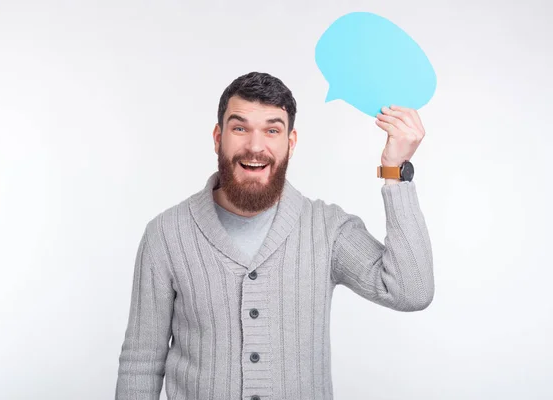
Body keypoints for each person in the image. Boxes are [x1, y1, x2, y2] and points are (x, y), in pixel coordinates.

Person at [115, 71, 434, 400]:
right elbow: (142, 362)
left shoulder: (327, 228)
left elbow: (411, 291)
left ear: (290, 142)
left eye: (272, 130)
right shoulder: (166, 234)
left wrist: (397, 169)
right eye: (240, 128)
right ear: (217, 137)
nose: (255, 146)